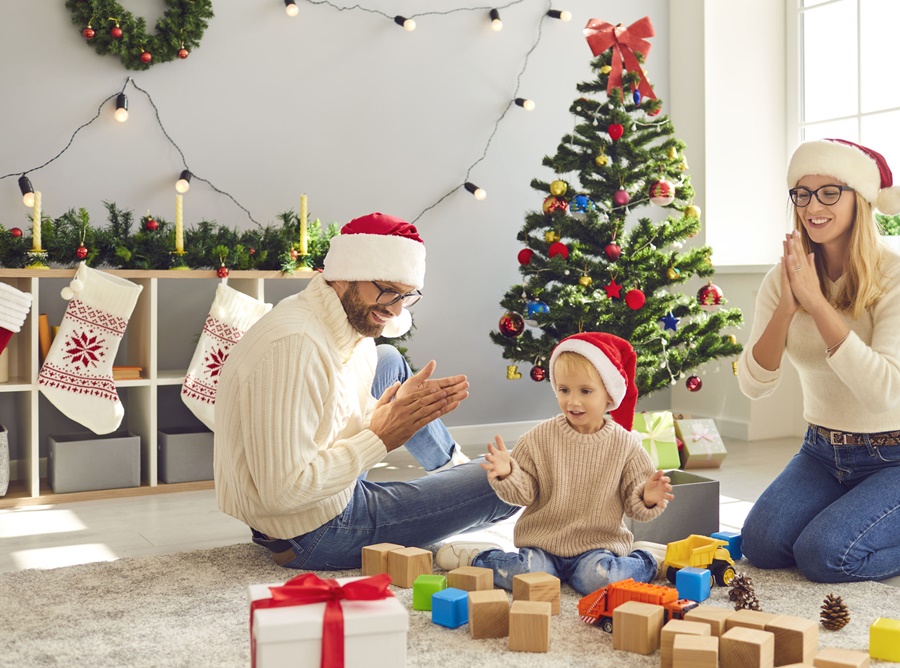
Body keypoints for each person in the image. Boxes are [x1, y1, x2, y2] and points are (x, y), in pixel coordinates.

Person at [213, 212, 519, 569]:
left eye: (406, 295)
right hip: (310, 530)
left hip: (317, 500)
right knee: (508, 479)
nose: (395, 309)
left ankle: (449, 469)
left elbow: (328, 418)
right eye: (388, 291)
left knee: (387, 359)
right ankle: (451, 489)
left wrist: (385, 413)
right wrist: (381, 436)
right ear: (345, 274)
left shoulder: (342, 321)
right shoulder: (296, 345)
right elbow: (283, 493)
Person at [737, 138, 900, 584]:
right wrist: (786, 306)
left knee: (823, 557)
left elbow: (883, 391)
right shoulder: (784, 278)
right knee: (760, 546)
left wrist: (818, 306)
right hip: (821, 452)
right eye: (802, 193)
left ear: (862, 199)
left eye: (830, 192)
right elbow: (754, 385)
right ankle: (854, 516)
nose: (813, 205)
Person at [435, 332, 674, 596]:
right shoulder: (538, 438)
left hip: (596, 549)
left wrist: (648, 497)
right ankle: (479, 557)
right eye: (564, 390)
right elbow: (524, 494)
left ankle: (648, 561)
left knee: (601, 582)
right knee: (527, 576)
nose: (573, 400)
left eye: (585, 391)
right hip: (542, 546)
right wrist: (508, 474)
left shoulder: (626, 445)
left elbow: (634, 505)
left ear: (609, 394)